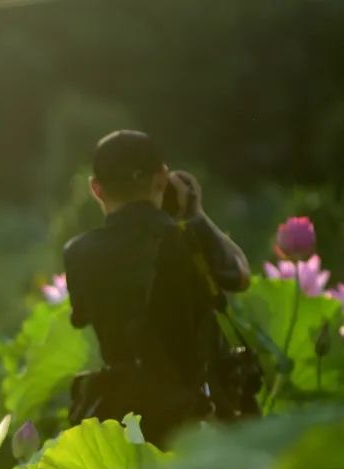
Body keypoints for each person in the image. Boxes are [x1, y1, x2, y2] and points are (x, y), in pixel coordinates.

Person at [62, 130, 254, 448]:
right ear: (162, 179)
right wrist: (196, 214)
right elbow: (240, 275)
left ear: (96, 189)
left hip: (120, 418)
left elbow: (81, 316)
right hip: (197, 417)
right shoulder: (186, 238)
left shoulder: (78, 253)